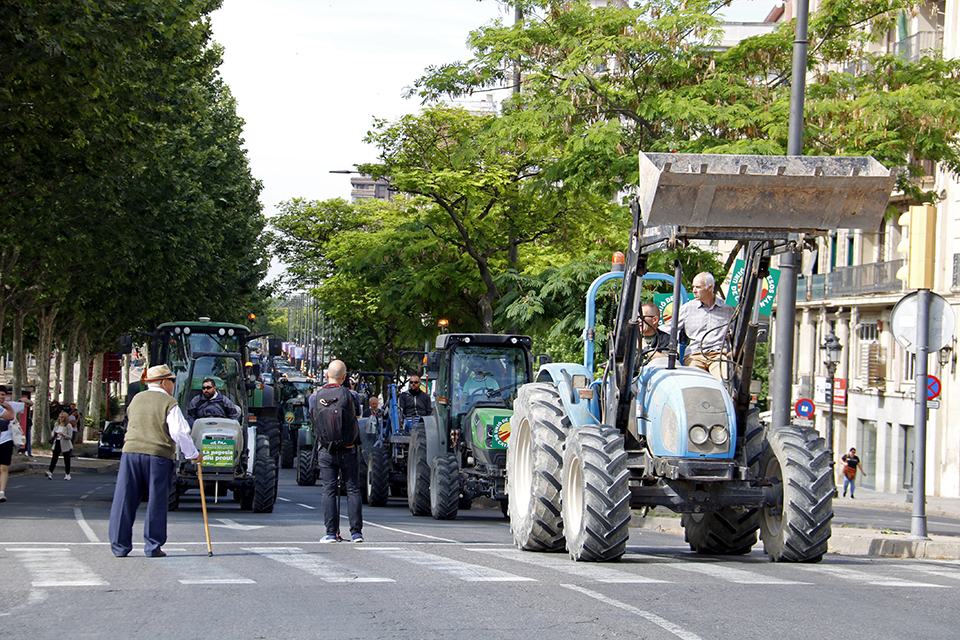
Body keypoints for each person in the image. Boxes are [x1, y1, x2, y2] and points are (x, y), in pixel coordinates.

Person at [108, 365, 202, 558]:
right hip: (158, 455)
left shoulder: (136, 400)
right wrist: (192, 454)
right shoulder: (168, 402)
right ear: (163, 382)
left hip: (131, 452)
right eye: (172, 381)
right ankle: (153, 546)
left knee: (124, 498)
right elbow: (179, 432)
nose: (173, 385)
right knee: (157, 501)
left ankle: (119, 545)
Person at [314, 359, 363, 543]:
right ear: (344, 377)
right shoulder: (351, 395)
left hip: (326, 450)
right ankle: (356, 533)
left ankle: (331, 532)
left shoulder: (315, 396)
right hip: (348, 449)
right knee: (352, 489)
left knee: (329, 490)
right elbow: (357, 415)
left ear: (327, 375)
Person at [676, 271, 735, 380]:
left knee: (725, 381)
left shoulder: (728, 309)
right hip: (695, 355)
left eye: (698, 287)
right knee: (693, 382)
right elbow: (670, 328)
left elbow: (739, 335)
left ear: (710, 288)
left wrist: (732, 352)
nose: (694, 290)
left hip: (718, 355)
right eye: (693, 287)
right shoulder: (687, 308)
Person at [0, 385, 23, 503]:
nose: (0, 397)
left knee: (3, 467)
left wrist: (20, 402)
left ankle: (1, 492)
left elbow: (29, 403)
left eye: (3, 394)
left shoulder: (10, 405)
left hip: (5, 439)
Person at [46, 411, 74, 480]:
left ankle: (67, 474)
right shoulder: (56, 424)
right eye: (60, 417)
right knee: (54, 458)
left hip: (65, 443)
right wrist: (54, 434)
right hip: (57, 442)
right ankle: (50, 472)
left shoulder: (68, 426)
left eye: (62, 417)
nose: (60, 419)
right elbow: (53, 432)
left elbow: (70, 436)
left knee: (66, 459)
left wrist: (63, 434)